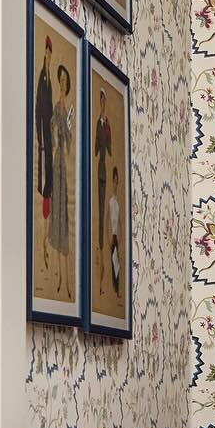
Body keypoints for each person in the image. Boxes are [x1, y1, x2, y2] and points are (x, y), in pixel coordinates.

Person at [47, 63, 73, 276]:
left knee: (64, 205)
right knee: (57, 204)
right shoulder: (57, 108)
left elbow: (69, 142)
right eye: (61, 80)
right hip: (58, 161)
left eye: (65, 81)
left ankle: (64, 272)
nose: (63, 84)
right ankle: (56, 270)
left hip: (64, 162)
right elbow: (55, 134)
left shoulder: (66, 110)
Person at [35, 34, 55, 276]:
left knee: (49, 191)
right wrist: (42, 143)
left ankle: (45, 243)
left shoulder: (49, 79)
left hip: (49, 144)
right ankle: (41, 245)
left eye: (51, 53)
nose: (49, 56)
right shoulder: (42, 78)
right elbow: (40, 112)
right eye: (48, 53)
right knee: (44, 191)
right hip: (43, 143)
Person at [93, 91, 113, 255]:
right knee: (98, 206)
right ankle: (99, 244)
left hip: (104, 169)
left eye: (104, 100)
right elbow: (95, 148)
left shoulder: (106, 125)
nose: (102, 103)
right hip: (98, 168)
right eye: (101, 100)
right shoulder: (98, 124)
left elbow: (110, 149)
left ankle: (101, 244)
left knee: (103, 206)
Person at [108, 166, 122, 297]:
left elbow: (120, 222)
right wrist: (109, 238)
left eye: (117, 181)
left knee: (118, 261)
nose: (116, 183)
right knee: (113, 262)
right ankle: (115, 289)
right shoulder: (111, 201)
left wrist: (121, 238)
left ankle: (117, 289)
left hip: (117, 236)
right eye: (114, 180)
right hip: (112, 236)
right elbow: (108, 220)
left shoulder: (117, 202)